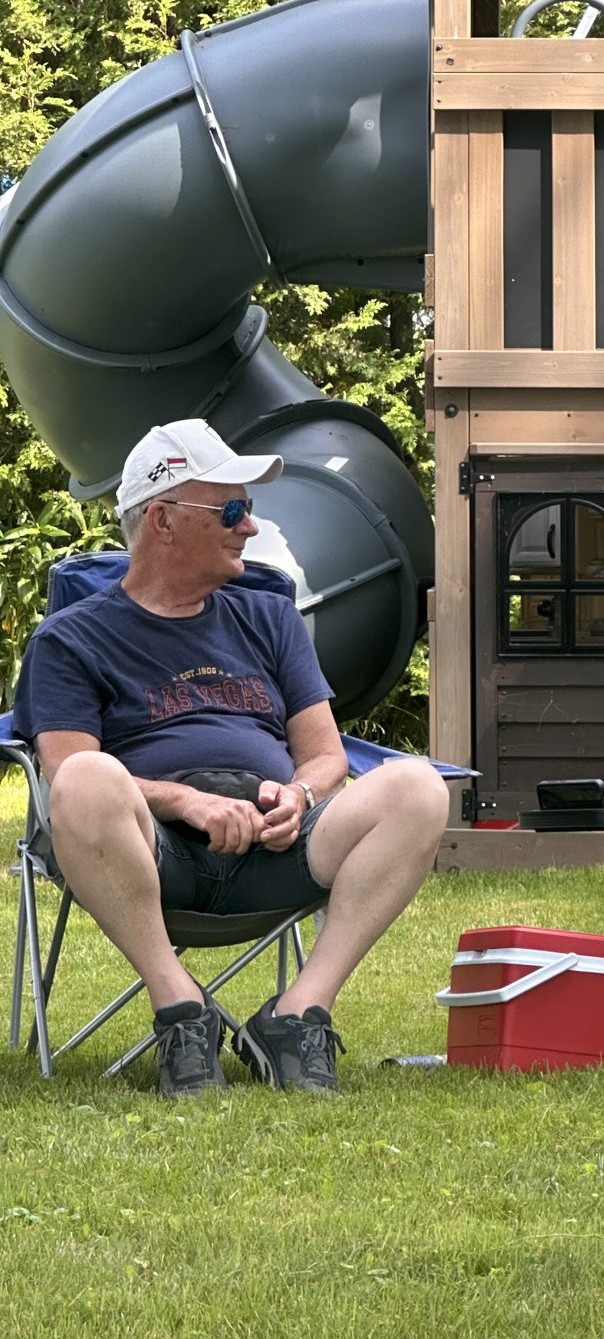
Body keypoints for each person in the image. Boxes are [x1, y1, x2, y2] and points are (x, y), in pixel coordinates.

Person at [12, 418, 449, 1098]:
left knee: (419, 787)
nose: (250, 526)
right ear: (162, 520)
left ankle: (297, 1014)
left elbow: (325, 756)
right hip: (154, 855)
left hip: (277, 846)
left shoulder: (269, 617)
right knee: (88, 778)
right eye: (231, 509)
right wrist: (186, 801)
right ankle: (181, 1011)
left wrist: (298, 796)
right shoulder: (72, 639)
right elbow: (67, 772)